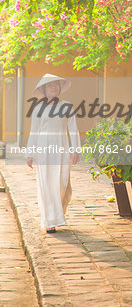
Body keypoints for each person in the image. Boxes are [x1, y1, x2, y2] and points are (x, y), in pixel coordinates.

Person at [26, 74, 80, 233]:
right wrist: (30, 153)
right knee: (47, 184)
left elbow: (73, 129)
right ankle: (50, 220)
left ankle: (57, 214)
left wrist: (75, 149)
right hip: (44, 151)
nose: (53, 87)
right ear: (43, 89)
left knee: (62, 182)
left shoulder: (67, 106)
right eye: (50, 85)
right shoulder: (37, 108)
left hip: (61, 149)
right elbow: (34, 132)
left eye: (56, 85)